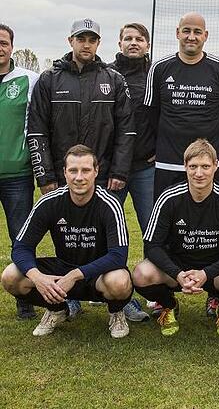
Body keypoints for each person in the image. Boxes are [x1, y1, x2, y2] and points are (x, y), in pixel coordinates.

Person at [27, 18, 134, 319]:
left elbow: (126, 131)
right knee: (68, 235)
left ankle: (116, 296)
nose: (86, 44)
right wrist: (45, 175)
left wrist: (119, 172)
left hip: (105, 177)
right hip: (63, 177)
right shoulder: (49, 79)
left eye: (92, 39)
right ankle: (67, 297)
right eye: (80, 38)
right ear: (70, 40)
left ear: (99, 43)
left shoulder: (113, 79)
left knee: (102, 235)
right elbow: (36, 132)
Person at [1, 145, 132, 338]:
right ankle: (56, 309)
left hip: (98, 275)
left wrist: (75, 275)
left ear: (96, 171)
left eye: (86, 170)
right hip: (61, 272)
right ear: (64, 172)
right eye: (73, 170)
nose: (79, 177)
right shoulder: (49, 202)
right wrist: (38, 277)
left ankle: (115, 312)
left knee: (120, 281)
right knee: (11, 276)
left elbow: (118, 256)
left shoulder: (109, 204)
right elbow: (22, 247)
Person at [132, 139, 219, 338]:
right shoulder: (169, 197)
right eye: (193, 167)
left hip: (217, 272)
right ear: (185, 167)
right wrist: (178, 273)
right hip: (178, 271)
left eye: (205, 166)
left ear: (216, 166)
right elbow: (152, 245)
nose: (199, 173)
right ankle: (169, 305)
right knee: (141, 273)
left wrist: (206, 273)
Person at [144, 12, 219, 197]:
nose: (191, 37)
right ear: (177, 33)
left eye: (197, 32)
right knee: (168, 216)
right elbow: (150, 111)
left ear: (205, 35)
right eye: (186, 31)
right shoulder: (160, 68)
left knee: (212, 216)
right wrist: (166, 139)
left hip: (211, 162)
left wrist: (215, 140)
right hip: (169, 161)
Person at [0, 23, 39, 319]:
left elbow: (37, 126)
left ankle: (24, 298)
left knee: (20, 238)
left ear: (12, 46)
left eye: (3, 42)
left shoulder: (29, 79)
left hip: (17, 176)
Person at [108, 22, 155, 234]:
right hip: (111, 167)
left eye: (139, 39)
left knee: (152, 228)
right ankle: (109, 268)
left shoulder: (157, 74)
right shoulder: (106, 74)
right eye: (128, 39)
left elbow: (168, 117)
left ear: (148, 45)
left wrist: (160, 149)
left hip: (146, 167)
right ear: (120, 44)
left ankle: (154, 268)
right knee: (108, 226)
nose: (133, 43)